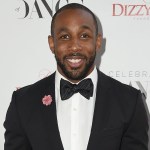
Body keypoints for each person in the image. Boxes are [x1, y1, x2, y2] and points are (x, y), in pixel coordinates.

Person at [4, 3, 149, 150]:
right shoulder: (23, 103)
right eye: (65, 36)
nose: (74, 46)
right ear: (52, 43)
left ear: (98, 42)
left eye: (84, 36)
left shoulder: (130, 102)